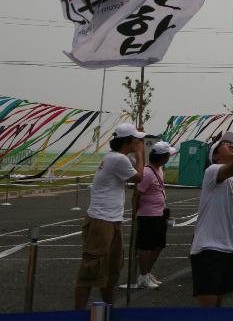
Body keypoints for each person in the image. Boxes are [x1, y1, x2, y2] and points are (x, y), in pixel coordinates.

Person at [74, 121, 145, 309]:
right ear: (128, 141)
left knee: (112, 269)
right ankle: (78, 312)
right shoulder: (118, 159)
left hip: (111, 219)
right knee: (91, 268)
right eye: (136, 141)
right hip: (101, 220)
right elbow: (138, 176)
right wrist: (140, 153)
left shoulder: (116, 158)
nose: (138, 143)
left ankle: (109, 307)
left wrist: (139, 146)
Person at [189, 122, 233, 307]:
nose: (232, 145)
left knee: (218, 303)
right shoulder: (212, 171)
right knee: (209, 306)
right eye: (226, 144)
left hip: (227, 247)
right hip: (208, 248)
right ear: (215, 156)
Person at [133, 140, 173, 290]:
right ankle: (143, 275)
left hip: (159, 213)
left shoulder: (159, 169)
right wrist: (136, 211)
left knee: (158, 245)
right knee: (146, 246)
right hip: (148, 215)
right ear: (163, 157)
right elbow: (138, 193)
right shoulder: (148, 172)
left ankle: (147, 272)